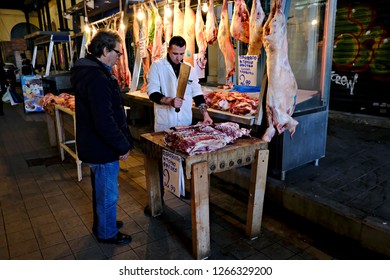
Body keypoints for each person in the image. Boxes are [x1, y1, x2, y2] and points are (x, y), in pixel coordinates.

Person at [71, 29, 134, 245]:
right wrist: (122, 145)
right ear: (106, 50)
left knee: (101, 189)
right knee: (108, 193)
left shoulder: (90, 71)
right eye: (118, 52)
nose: (119, 58)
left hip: (94, 145)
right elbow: (104, 120)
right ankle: (106, 233)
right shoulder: (97, 77)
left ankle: (104, 223)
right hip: (101, 147)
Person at [147, 35, 213, 132]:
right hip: (166, 123)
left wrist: (205, 115)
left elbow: (197, 93)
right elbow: (152, 93)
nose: (179, 58)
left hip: (185, 122)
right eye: (175, 54)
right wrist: (170, 101)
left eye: (182, 54)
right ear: (168, 50)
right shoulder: (157, 66)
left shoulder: (189, 68)